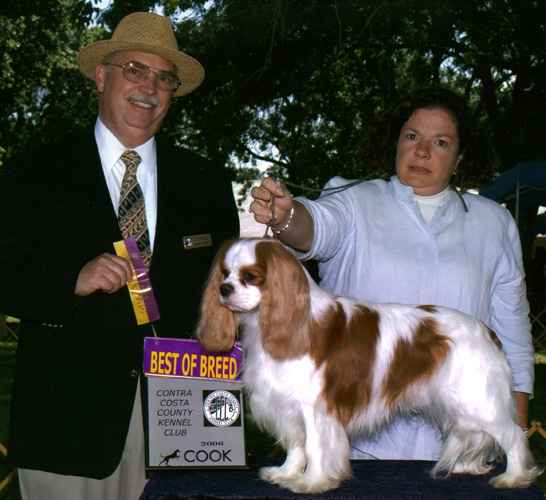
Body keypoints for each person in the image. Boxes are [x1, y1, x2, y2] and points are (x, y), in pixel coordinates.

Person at [0, 12, 239, 500]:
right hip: (68, 425)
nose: (149, 86)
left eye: (164, 78)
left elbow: (232, 295)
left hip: (185, 423)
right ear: (102, 75)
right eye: (135, 69)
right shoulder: (35, 171)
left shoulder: (208, 183)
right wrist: (71, 279)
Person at [250, 87, 534, 461]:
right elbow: (315, 226)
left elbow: (512, 331)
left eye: (441, 142)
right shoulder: (353, 198)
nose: (422, 151)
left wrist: (517, 426)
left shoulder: (494, 223)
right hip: (360, 446)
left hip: (459, 446)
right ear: (396, 141)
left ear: (460, 158)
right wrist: (286, 215)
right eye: (412, 136)